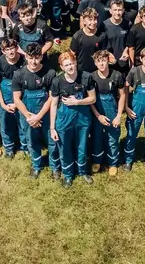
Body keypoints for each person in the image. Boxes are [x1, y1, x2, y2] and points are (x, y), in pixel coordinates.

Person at [49, 50, 94, 185]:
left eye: (72, 64)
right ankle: (68, 174)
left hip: (83, 117)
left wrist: (78, 102)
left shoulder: (86, 77)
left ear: (76, 63)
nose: (70, 67)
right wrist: (52, 128)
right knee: (65, 147)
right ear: (62, 67)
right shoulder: (57, 81)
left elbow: (92, 98)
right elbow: (54, 104)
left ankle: (82, 171)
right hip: (64, 119)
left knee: (82, 145)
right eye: (66, 65)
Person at [10, 47, 54, 177]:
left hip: (45, 113)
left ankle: (55, 166)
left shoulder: (50, 73)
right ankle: (36, 165)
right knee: (32, 140)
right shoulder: (18, 74)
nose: (34, 61)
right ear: (26, 57)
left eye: (37, 58)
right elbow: (17, 99)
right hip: (27, 113)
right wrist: (29, 117)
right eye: (31, 58)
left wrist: (39, 116)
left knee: (51, 140)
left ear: (41, 57)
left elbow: (52, 97)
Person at [86, 49, 125, 175]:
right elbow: (90, 100)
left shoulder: (117, 75)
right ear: (95, 63)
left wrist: (118, 116)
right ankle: (97, 160)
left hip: (111, 109)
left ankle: (113, 163)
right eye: (99, 62)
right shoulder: (91, 77)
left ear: (108, 60)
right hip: (97, 110)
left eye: (104, 61)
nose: (102, 64)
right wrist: (98, 116)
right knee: (96, 137)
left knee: (113, 137)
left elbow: (122, 95)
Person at [0, 37, 25, 159]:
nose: (11, 52)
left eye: (13, 48)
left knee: (22, 121)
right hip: (4, 93)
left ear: (17, 48)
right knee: (5, 122)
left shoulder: (23, 61)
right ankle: (9, 148)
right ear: (3, 51)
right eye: (7, 49)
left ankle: (24, 145)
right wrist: (3, 104)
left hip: (21, 93)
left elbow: (26, 82)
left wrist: (18, 103)